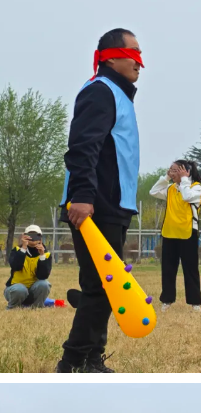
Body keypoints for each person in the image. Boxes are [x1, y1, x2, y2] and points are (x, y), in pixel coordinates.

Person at [57, 28, 144, 373]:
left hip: (114, 205)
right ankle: (72, 363)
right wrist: (81, 195)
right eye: (133, 53)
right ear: (111, 57)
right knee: (100, 286)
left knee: (106, 287)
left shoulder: (119, 96)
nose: (140, 62)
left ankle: (92, 358)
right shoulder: (100, 91)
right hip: (95, 205)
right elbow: (82, 147)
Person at [149, 161, 201, 312]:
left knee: (190, 269)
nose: (171, 173)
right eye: (170, 170)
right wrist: (166, 178)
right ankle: (167, 300)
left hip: (187, 233)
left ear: (185, 171)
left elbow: (187, 197)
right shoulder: (171, 188)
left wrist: (184, 179)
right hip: (169, 233)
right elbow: (153, 191)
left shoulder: (196, 188)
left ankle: (195, 302)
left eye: (175, 170)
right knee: (168, 268)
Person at [4, 225, 52, 310]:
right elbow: (16, 266)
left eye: (36, 236)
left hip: (34, 291)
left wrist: (42, 256)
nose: (32, 239)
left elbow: (43, 276)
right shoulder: (17, 250)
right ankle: (12, 307)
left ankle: (37, 307)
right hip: (15, 290)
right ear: (24, 236)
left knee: (44, 284)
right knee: (20, 289)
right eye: (30, 236)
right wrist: (23, 248)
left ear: (40, 238)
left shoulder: (46, 254)